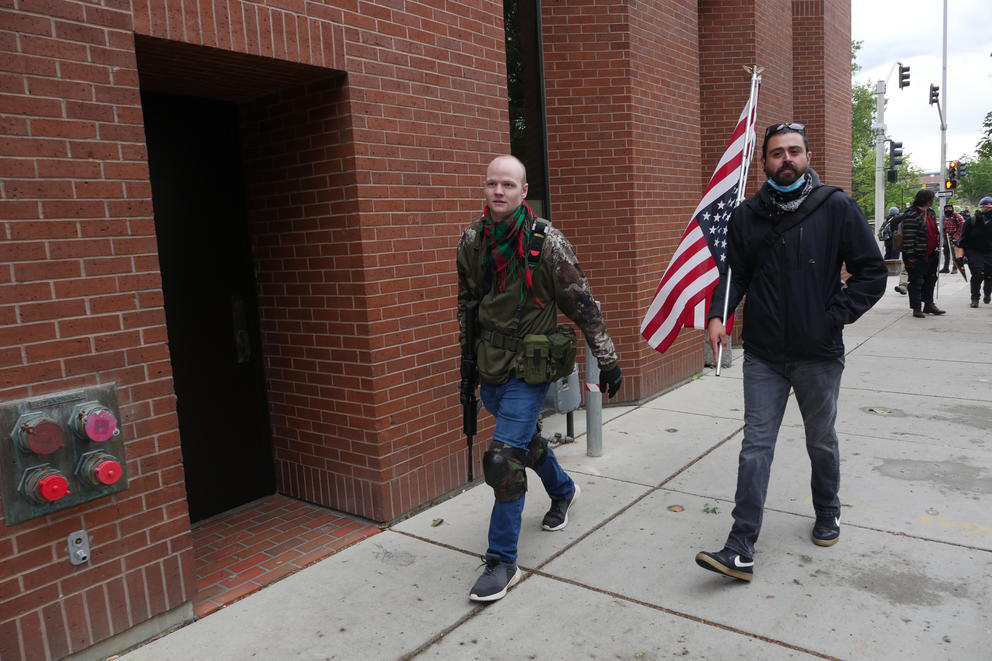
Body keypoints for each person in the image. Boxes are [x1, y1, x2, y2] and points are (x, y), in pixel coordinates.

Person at [695, 123, 886, 582]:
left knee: (820, 439)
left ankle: (828, 509)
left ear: (807, 156)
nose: (786, 159)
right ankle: (740, 544)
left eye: (794, 152)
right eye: (777, 153)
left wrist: (832, 314)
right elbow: (735, 274)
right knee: (755, 446)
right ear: (764, 162)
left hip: (818, 353)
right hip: (763, 353)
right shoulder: (747, 215)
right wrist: (720, 316)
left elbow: (871, 272)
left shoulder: (835, 206)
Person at [456, 155, 623, 601]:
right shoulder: (472, 241)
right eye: (492, 183)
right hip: (491, 364)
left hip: (530, 369)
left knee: (503, 459)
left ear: (523, 191)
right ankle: (564, 490)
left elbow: (583, 305)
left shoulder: (546, 242)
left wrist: (607, 359)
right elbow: (467, 307)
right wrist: (466, 366)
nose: (498, 192)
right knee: (526, 444)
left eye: (508, 185)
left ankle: (501, 561)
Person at [900, 189, 945, 318]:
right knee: (916, 281)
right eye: (932, 198)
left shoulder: (930, 213)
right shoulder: (911, 214)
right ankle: (916, 307)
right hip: (917, 255)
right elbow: (909, 237)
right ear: (926, 200)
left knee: (930, 280)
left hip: (931, 254)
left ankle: (929, 304)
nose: (933, 201)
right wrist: (910, 257)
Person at [958, 196, 992, 307]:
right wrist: (960, 255)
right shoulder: (971, 221)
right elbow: (963, 238)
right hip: (974, 252)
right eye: (984, 206)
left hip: (990, 252)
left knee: (989, 276)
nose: (986, 209)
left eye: (989, 207)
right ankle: (975, 298)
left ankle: (987, 293)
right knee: (978, 274)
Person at [939, 203, 965, 273]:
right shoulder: (944, 217)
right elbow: (943, 227)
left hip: (955, 237)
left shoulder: (957, 216)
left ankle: (955, 268)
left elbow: (963, 225)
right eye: (946, 208)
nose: (948, 210)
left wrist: (957, 235)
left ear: (952, 209)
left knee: (955, 254)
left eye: (949, 208)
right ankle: (946, 268)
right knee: (946, 253)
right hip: (946, 236)